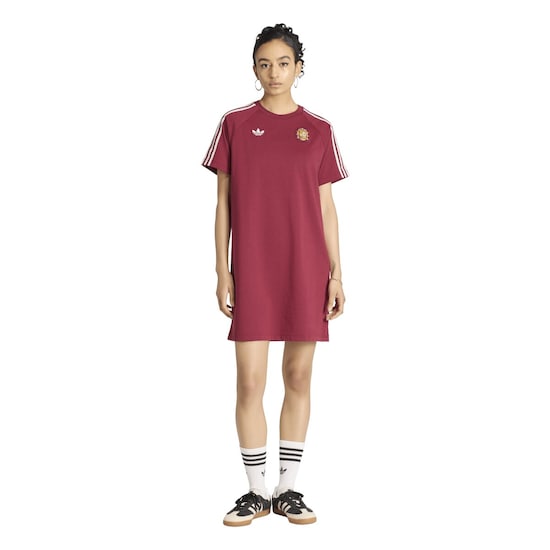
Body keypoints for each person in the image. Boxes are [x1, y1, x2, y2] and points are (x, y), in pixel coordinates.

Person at [202, 23, 348, 526]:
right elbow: (223, 203)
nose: (274, 73)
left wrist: (336, 274)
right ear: (254, 69)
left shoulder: (319, 130)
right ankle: (255, 491)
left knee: (299, 376)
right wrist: (222, 270)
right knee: (250, 381)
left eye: (283, 63)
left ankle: (288, 488)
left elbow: (326, 208)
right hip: (254, 268)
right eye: (264, 64)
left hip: (306, 267)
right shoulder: (235, 124)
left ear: (299, 67)